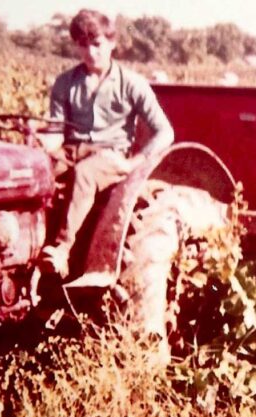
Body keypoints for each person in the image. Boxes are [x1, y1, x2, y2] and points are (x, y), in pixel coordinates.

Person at [41, 9, 174, 278]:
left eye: (97, 44)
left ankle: (61, 250)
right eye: (83, 44)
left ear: (111, 43)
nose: (90, 52)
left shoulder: (132, 84)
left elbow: (165, 132)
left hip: (109, 155)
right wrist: (41, 146)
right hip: (71, 150)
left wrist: (134, 163)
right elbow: (56, 130)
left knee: (85, 174)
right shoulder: (65, 83)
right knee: (36, 174)